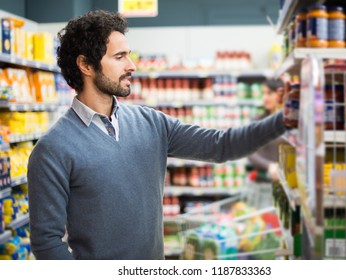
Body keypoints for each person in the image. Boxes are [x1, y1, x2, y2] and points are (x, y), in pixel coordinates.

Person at [27, 10, 289, 260]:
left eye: (129, 55)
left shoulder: (152, 123)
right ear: (85, 64)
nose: (132, 65)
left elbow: (222, 146)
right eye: (119, 57)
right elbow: (46, 241)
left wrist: (285, 117)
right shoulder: (53, 149)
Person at [248, 78, 286, 182]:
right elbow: (249, 152)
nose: (265, 98)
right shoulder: (257, 121)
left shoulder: (291, 121)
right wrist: (269, 166)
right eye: (263, 93)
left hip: (287, 183)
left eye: (269, 93)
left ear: (281, 94)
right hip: (262, 182)